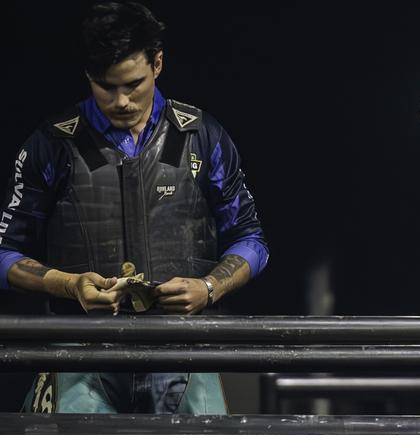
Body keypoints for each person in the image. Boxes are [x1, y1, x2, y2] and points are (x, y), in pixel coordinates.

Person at [0, 2, 269, 414]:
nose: (121, 100)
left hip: (183, 348)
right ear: (88, 75)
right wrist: (69, 285)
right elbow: (4, 254)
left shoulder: (203, 136)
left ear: (157, 63)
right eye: (106, 86)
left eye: (133, 84)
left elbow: (252, 240)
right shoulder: (51, 145)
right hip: (80, 353)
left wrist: (208, 287)